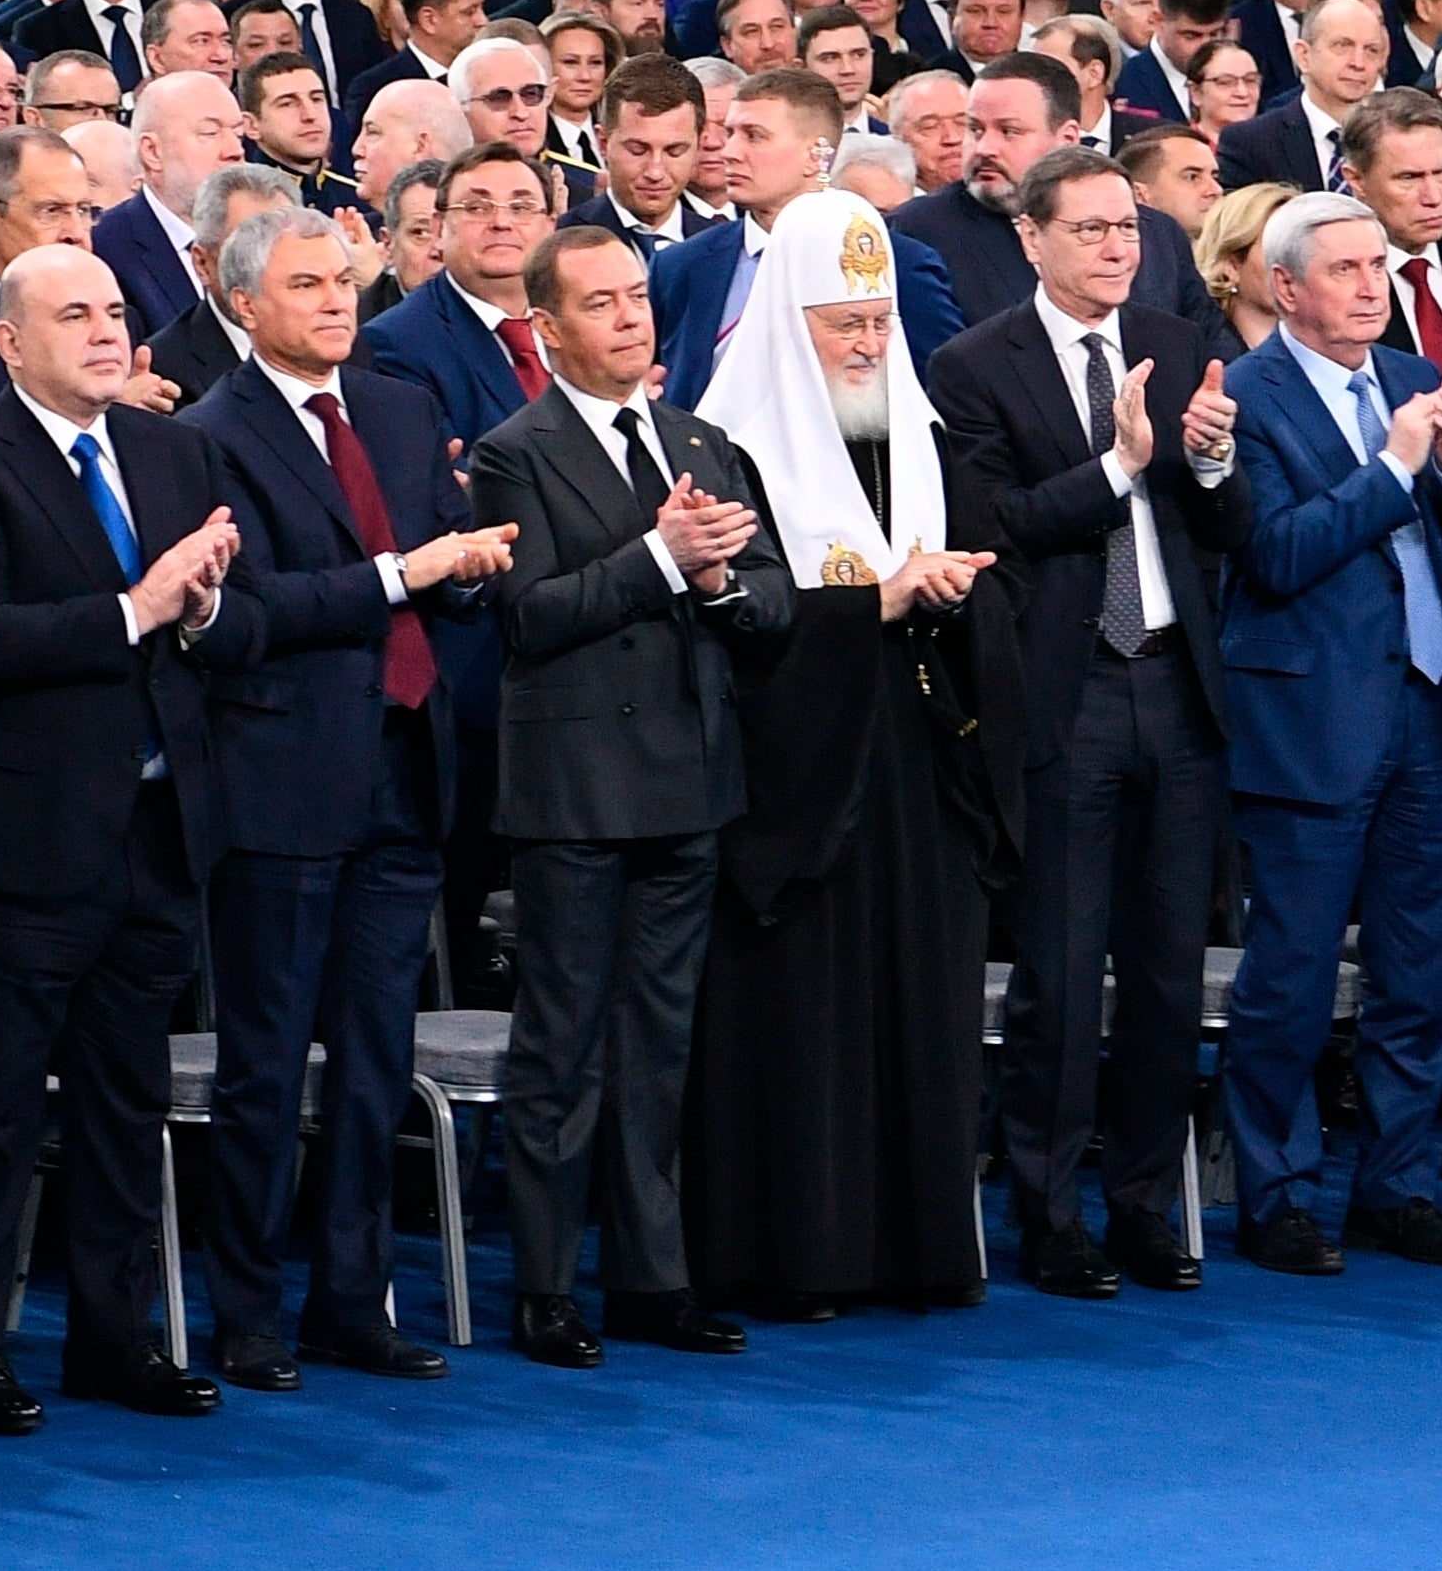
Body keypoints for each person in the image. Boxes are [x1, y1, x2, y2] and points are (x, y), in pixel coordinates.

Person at [0, 243, 261, 1432]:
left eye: (116, 310)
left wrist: (200, 608)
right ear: (9, 340)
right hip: (15, 843)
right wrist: (137, 607)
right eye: (75, 314)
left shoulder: (173, 445)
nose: (109, 332)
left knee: (124, 1103)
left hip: (153, 832)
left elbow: (215, 622)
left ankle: (117, 1337)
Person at [465, 225, 797, 1366]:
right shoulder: (514, 451)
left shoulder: (702, 437)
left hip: (691, 782)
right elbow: (529, 617)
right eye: (600, 303)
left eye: (637, 298)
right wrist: (659, 558)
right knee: (563, 1046)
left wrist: (714, 581)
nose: (629, 318)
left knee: (660, 1043)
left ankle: (654, 1278)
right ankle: (546, 1287)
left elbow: (773, 603)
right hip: (574, 792)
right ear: (548, 328)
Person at [183, 213, 506, 1381]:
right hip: (282, 777)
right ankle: (249, 1310)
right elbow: (245, 618)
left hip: (406, 762)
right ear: (243, 305)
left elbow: (436, 560)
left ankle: (353, 1296)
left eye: (345, 281)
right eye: (306, 285)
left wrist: (469, 570)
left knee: (376, 1053)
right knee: (267, 1060)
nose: (335, 302)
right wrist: (400, 576)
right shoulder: (207, 437)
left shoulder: (402, 408)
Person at [924, 141, 1245, 1297]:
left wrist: (1207, 465)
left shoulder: (1176, 341)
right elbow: (992, 519)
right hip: (1065, 692)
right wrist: (1118, 466)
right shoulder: (971, 365)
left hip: (1177, 682)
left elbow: (1231, 522)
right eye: (1093, 229)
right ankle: (1052, 1212)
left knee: (1166, 969)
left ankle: (1149, 1204)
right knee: (1062, 973)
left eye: (1129, 228)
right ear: (1034, 239)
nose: (1117, 246)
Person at [677, 194, 1003, 1316]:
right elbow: (741, 622)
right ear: (786, 324)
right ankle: (796, 1255)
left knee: (918, 998)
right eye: (842, 324)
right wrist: (874, 603)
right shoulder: (728, 444)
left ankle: (917, 1248)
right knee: (804, 1017)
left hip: (910, 756)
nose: (869, 344)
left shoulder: (917, 431)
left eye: (878, 319)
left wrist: (948, 592)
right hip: (794, 775)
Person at [1208, 194, 1442, 1274]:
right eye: (1344, 269)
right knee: (1289, 980)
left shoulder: (1420, 379)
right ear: (1285, 287)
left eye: (1378, 265)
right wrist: (1392, 470)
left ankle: (1397, 1184)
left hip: (1428, 712)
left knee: (1423, 973)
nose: (1371, 285)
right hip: (1310, 721)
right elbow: (1281, 553)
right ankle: (1277, 1193)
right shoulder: (1243, 398)